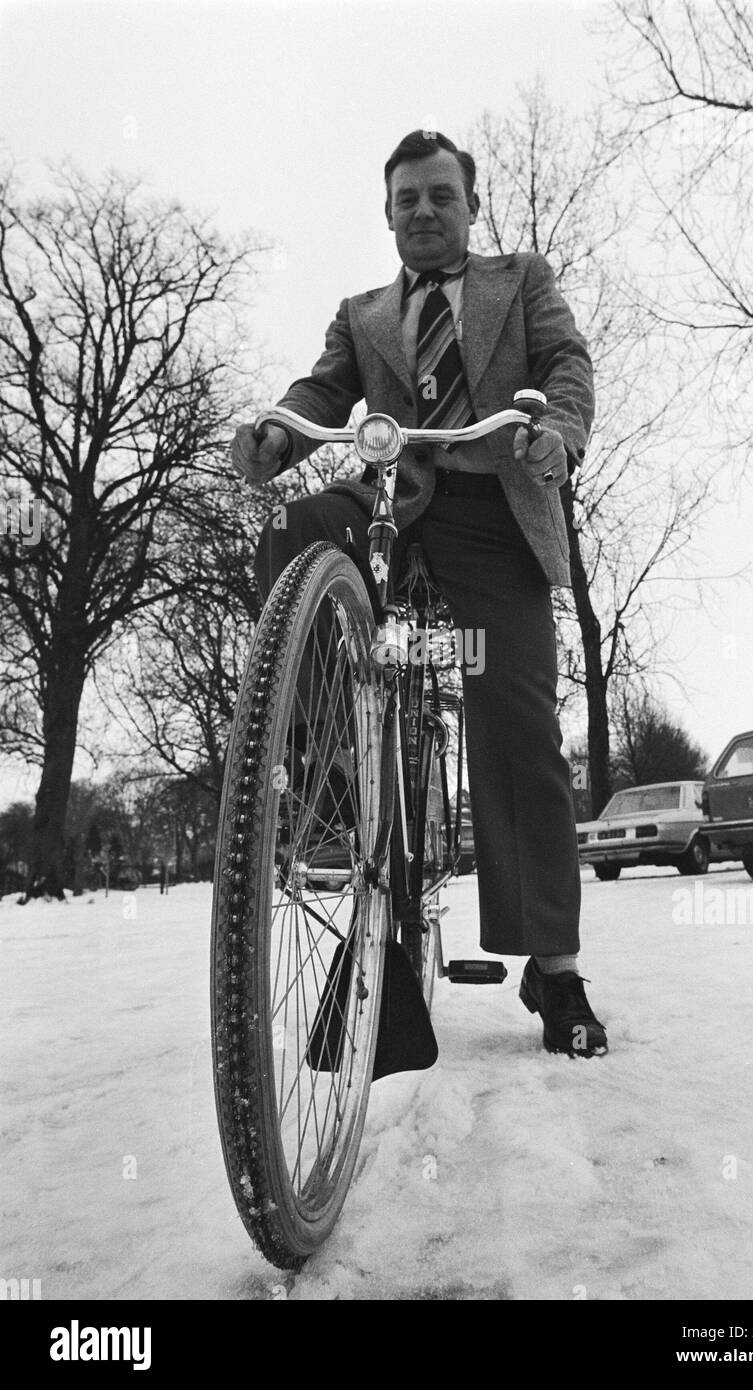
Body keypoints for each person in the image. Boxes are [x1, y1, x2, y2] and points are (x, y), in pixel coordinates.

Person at [232, 130, 608, 1057]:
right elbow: (323, 393)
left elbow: (566, 364)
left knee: (514, 717)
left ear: (470, 206)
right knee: (295, 529)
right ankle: (333, 771)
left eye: (442, 196)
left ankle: (553, 968)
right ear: (388, 212)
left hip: (488, 507)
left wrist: (555, 430)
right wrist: (281, 435)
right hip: (395, 503)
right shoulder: (362, 314)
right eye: (407, 200)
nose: (425, 213)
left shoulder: (518, 280)